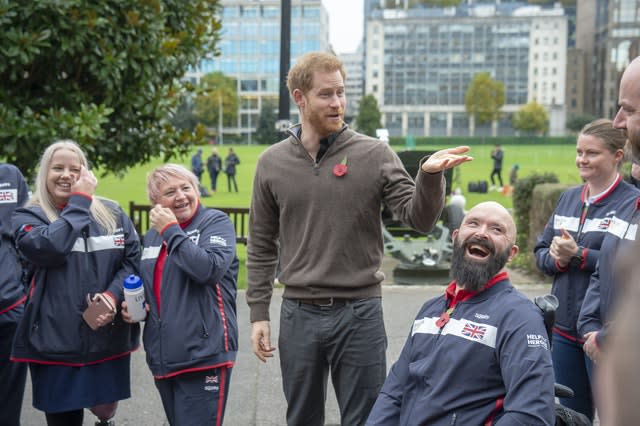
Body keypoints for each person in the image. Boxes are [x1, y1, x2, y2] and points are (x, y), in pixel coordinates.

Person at [246, 51, 472, 426]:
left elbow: (418, 219)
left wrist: (429, 178)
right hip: (299, 312)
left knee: (368, 419)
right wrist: (258, 313)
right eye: (325, 94)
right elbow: (261, 243)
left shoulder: (374, 154)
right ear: (300, 98)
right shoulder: (271, 163)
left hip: (359, 312)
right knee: (301, 417)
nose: (337, 103)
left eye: (341, 92)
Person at [366, 201, 555, 425]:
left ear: (511, 253)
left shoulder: (520, 318)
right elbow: (394, 392)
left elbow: (531, 413)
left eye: (497, 229)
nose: (481, 233)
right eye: (473, 223)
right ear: (455, 236)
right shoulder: (430, 310)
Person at [11, 140, 140, 426]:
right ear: (45, 174)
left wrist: (112, 295)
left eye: (74, 168)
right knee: (64, 420)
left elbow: (133, 260)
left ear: (86, 174)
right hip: (54, 344)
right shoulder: (27, 216)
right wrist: (80, 203)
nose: (66, 174)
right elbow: (50, 247)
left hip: (105, 338)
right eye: (57, 168)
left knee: (105, 410)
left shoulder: (113, 213)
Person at [533, 119, 639, 421]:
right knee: (567, 416)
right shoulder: (568, 198)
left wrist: (578, 255)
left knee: (617, 416)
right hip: (565, 331)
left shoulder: (631, 203)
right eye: (579, 151)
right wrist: (557, 259)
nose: (582, 159)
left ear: (617, 155)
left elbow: (623, 263)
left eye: (592, 153)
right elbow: (540, 254)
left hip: (606, 331)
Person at [123, 164, 238, 425]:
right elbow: (156, 283)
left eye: (186, 188)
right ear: (156, 202)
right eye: (170, 191)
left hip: (203, 355)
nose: (181, 196)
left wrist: (171, 231)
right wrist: (136, 305)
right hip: (165, 357)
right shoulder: (152, 236)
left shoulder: (215, 223)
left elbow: (208, 269)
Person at [577, 56, 640, 367]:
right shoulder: (630, 205)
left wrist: (607, 338)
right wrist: (590, 328)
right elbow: (604, 270)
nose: (617, 121)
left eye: (628, 110)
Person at [0, 162, 29, 426]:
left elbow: (25, 232)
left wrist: (22, 287)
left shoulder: (9, 176)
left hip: (10, 307)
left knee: (8, 406)